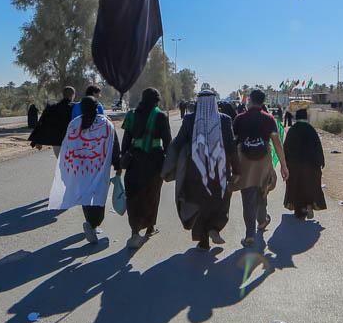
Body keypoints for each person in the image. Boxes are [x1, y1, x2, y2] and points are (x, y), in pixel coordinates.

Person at [163, 89, 237, 250]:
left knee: (199, 203)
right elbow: (231, 147)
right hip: (220, 170)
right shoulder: (225, 120)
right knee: (220, 200)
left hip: (195, 170)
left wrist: (169, 164)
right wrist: (237, 170)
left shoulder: (190, 119)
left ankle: (203, 240)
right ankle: (214, 228)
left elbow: (179, 141)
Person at [47, 96, 118, 244]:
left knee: (86, 196)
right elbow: (114, 147)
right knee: (98, 198)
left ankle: (90, 222)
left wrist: (67, 169)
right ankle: (93, 224)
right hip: (99, 170)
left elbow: (67, 148)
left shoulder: (74, 123)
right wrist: (117, 165)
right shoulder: (106, 124)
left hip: (81, 170)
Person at [232, 89, 288, 247]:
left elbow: (233, 143)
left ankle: (250, 234)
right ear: (263, 101)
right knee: (262, 192)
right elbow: (277, 144)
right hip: (264, 162)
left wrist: (231, 165)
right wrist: (283, 166)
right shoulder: (269, 119)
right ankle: (262, 221)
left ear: (249, 100)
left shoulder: (239, 119)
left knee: (248, 197)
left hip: (245, 163)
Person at [117, 87, 171, 249]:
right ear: (156, 100)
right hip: (154, 161)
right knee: (152, 195)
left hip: (134, 160)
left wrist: (123, 158)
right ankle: (150, 227)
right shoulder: (160, 116)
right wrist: (170, 162)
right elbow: (167, 142)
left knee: (133, 196)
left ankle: (134, 232)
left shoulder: (131, 115)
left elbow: (126, 141)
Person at [282, 108, 326, 220]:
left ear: (296, 117)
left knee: (296, 186)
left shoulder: (292, 130)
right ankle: (309, 205)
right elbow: (318, 147)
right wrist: (321, 161)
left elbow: (286, 148)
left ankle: (300, 211)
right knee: (310, 186)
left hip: (295, 165)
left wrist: (284, 164)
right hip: (311, 165)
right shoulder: (311, 129)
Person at [29, 87, 76, 155]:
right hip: (72, 141)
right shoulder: (76, 107)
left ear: (63, 95)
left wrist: (37, 140)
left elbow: (42, 122)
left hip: (57, 142)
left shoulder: (53, 106)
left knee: (60, 163)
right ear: (73, 95)